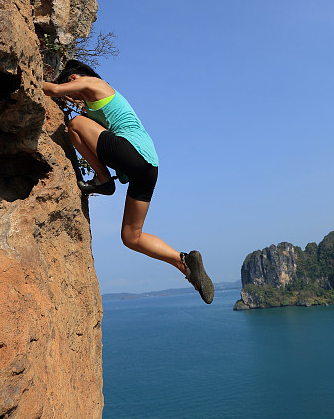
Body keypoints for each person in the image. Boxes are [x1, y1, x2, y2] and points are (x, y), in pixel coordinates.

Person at [42, 60, 214, 304]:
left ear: (73, 78)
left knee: (75, 125)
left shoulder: (94, 83)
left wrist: (27, 81)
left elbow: (55, 91)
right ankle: (185, 263)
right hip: (148, 167)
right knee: (131, 237)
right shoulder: (98, 100)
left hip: (133, 153)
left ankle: (104, 181)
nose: (75, 95)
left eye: (71, 87)